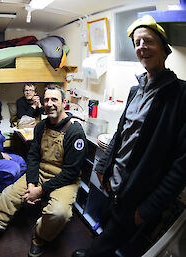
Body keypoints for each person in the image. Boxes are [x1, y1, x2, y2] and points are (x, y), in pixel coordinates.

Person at [72, 15, 186, 257]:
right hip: (114, 183)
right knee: (106, 225)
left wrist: (149, 207)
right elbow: (121, 132)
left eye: (148, 41)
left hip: (139, 193)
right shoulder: (136, 89)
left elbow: (182, 164)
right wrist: (103, 164)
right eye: (137, 43)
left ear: (165, 50)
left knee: (113, 242)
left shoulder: (180, 96)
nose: (142, 47)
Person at [0, 84, 87, 257]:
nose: (50, 103)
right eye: (47, 99)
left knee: (58, 213)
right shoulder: (41, 127)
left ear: (64, 103)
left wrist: (40, 191)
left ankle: (40, 238)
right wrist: (32, 183)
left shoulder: (75, 131)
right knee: (9, 194)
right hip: (41, 172)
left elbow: (71, 173)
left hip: (64, 179)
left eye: (54, 99)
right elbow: (33, 157)